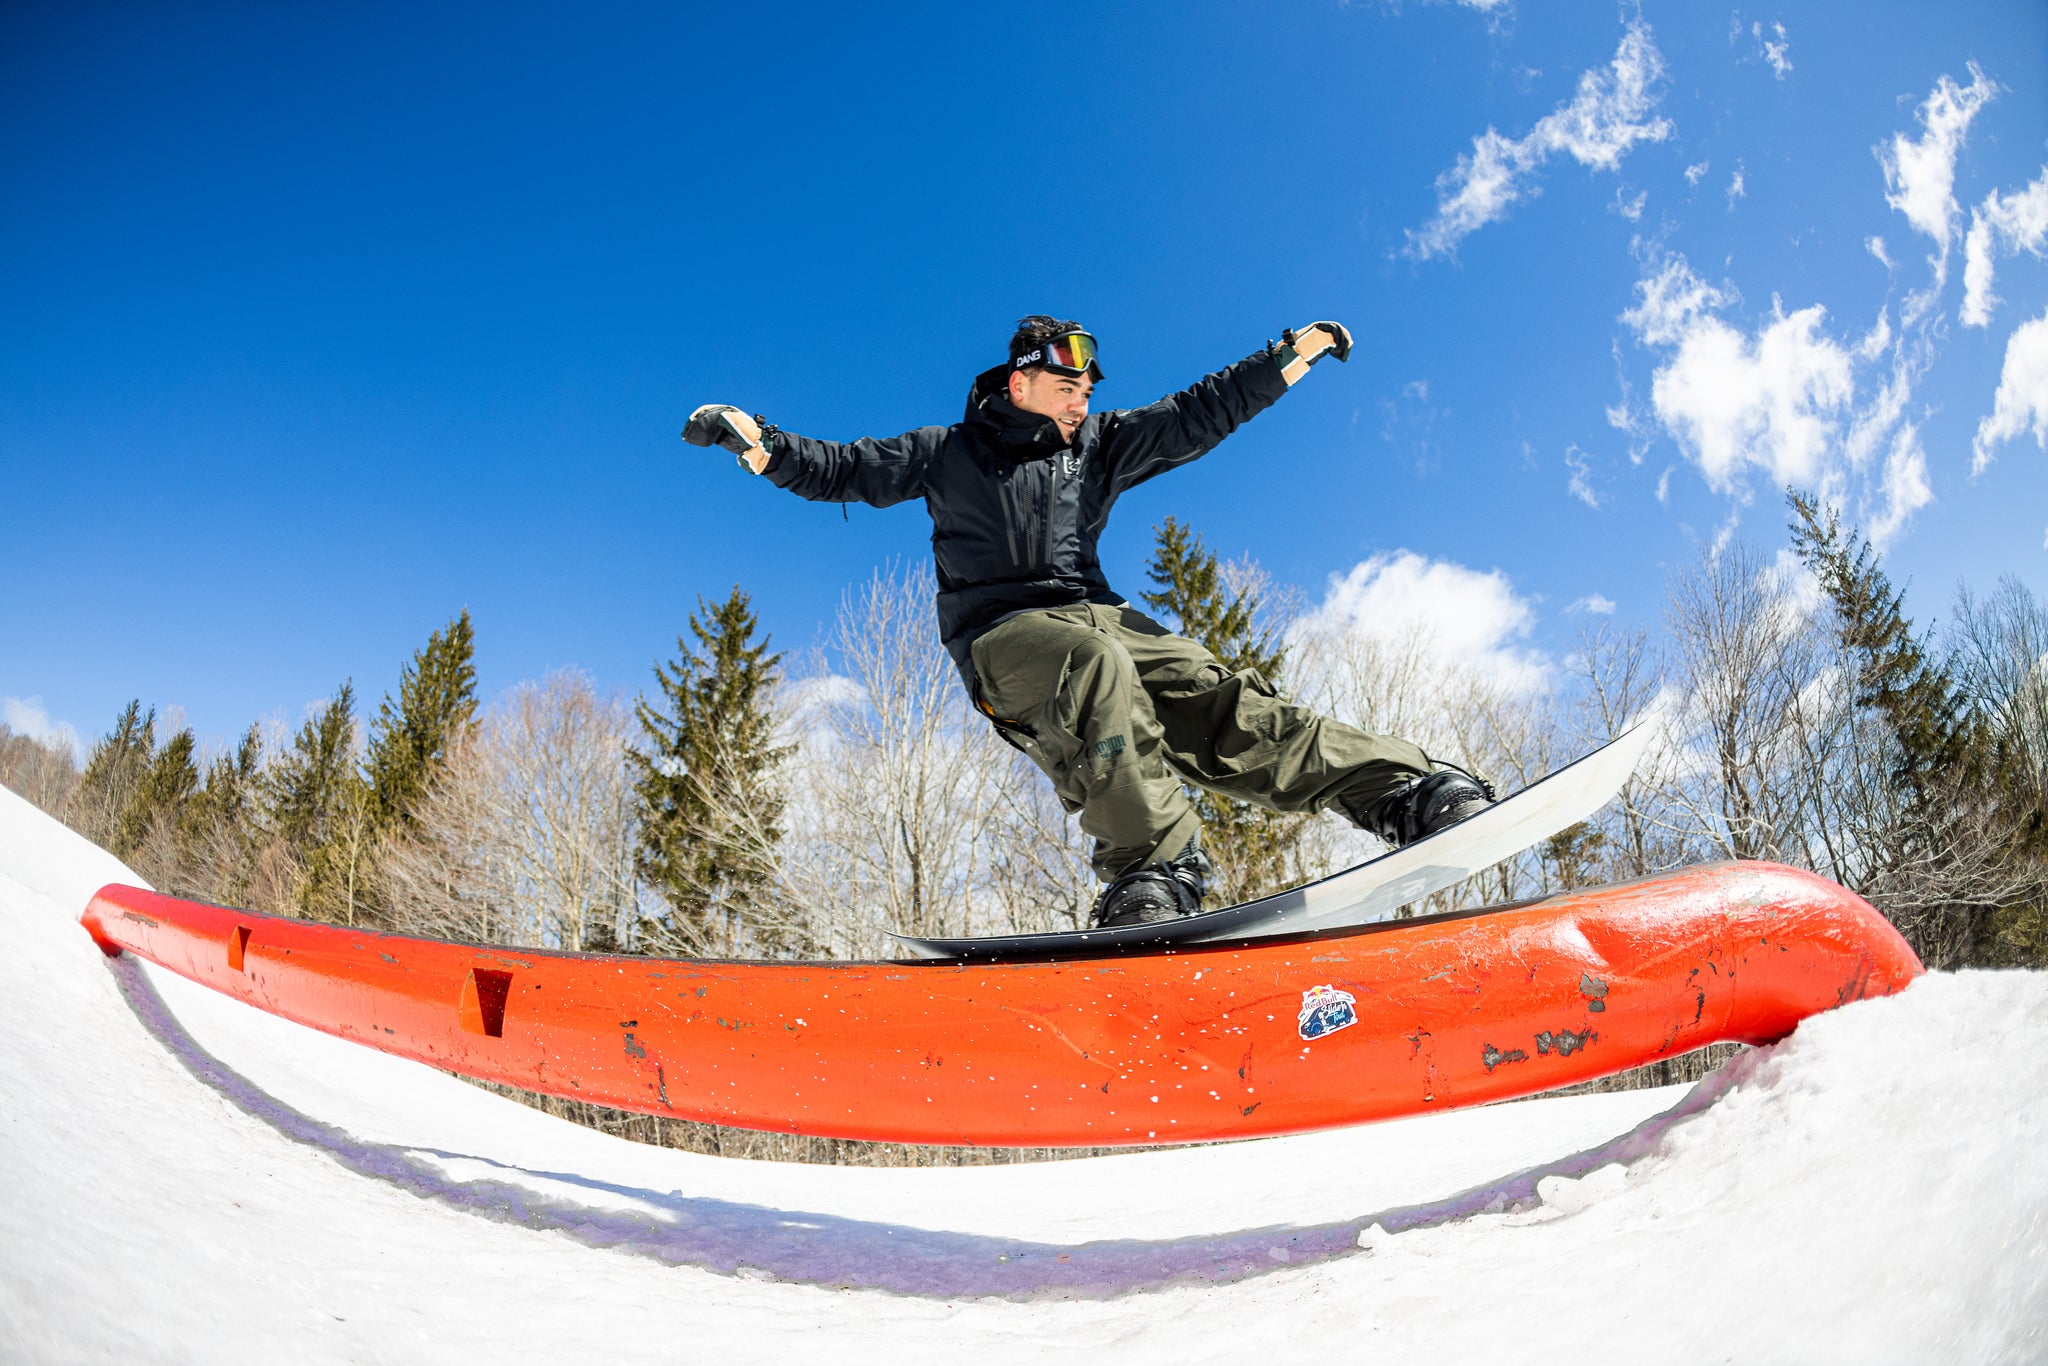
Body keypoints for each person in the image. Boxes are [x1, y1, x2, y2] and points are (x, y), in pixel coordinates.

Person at [683, 316, 1493, 927]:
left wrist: (1287, 358)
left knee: (1212, 693)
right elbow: (839, 470)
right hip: (1005, 641)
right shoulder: (947, 453)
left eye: (1087, 394)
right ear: (1019, 384)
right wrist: (758, 443)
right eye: (1067, 390)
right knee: (1092, 668)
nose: (1080, 405)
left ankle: (1401, 789)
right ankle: (1149, 868)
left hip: (1098, 616)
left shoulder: (1096, 448)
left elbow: (1195, 414)